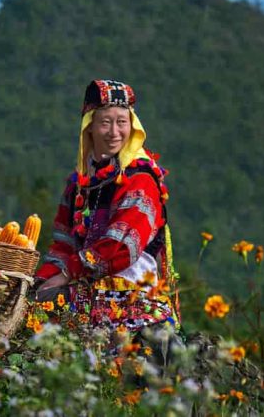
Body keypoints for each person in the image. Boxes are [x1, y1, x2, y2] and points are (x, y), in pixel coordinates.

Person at [35, 79, 179, 341]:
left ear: (132, 125)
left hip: (132, 293)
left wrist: (68, 273)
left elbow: (122, 246)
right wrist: (42, 279)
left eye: (122, 122)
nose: (114, 131)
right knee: (31, 304)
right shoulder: (78, 183)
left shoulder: (140, 178)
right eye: (105, 122)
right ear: (89, 127)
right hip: (84, 284)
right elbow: (63, 244)